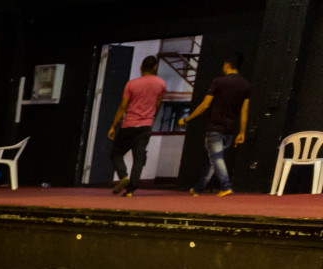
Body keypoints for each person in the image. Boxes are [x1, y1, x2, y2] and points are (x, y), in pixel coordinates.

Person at [181, 54, 250, 196]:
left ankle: (226, 186)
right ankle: (198, 188)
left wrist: (187, 119)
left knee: (216, 158)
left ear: (227, 65)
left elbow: (205, 104)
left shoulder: (218, 82)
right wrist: (242, 132)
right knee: (212, 160)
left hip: (215, 128)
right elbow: (244, 111)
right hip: (230, 129)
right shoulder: (246, 85)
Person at [107, 55, 167, 197]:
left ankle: (123, 177)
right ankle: (130, 191)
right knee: (139, 158)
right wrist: (151, 117)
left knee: (116, 153)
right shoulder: (161, 84)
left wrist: (113, 125)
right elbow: (158, 103)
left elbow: (123, 106)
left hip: (129, 124)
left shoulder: (131, 84)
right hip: (145, 125)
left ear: (141, 67)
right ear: (155, 67)